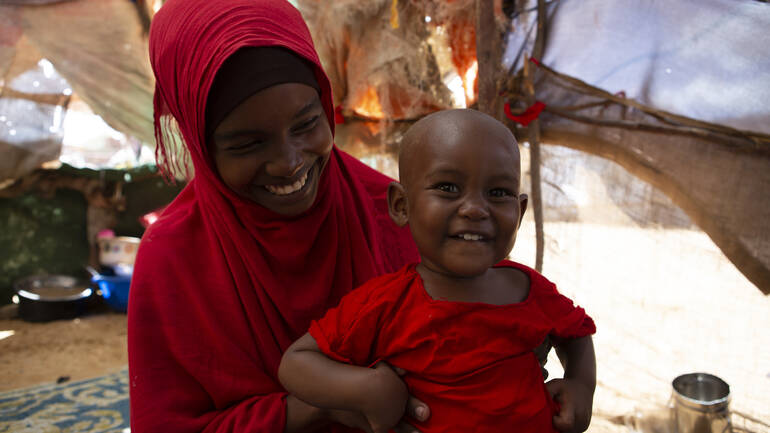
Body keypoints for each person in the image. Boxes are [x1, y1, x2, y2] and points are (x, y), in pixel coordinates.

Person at [127, 0, 426, 432]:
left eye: (306, 124)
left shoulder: (392, 213)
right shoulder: (173, 258)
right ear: (201, 145)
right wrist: (314, 407)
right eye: (248, 144)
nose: (289, 163)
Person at [278, 109, 597, 433]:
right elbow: (296, 364)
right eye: (448, 187)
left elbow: (577, 333)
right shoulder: (386, 303)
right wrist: (367, 388)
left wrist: (581, 386)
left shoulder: (530, 289)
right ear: (401, 206)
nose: (475, 208)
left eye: (499, 193)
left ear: (520, 211)